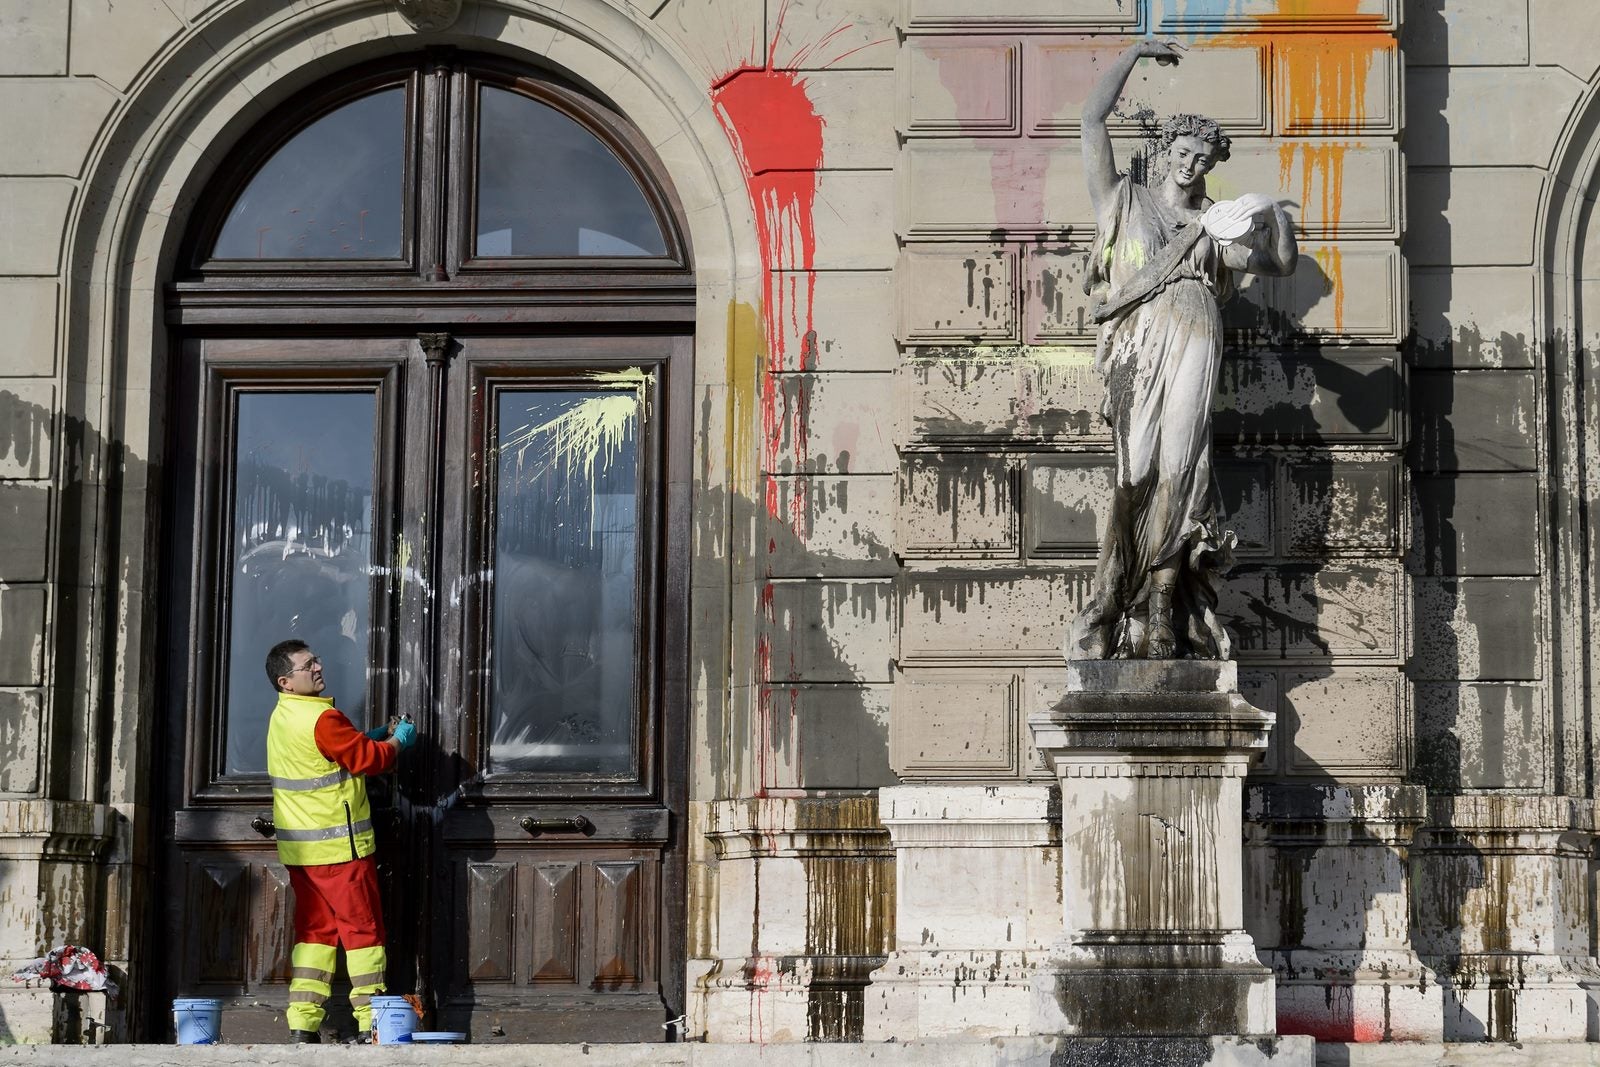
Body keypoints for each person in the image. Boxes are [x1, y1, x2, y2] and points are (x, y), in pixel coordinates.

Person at [1067, 38, 1299, 661]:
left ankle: (1166, 607)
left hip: (1196, 339)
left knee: (1183, 470)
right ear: (1164, 152)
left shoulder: (1215, 225)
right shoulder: (1122, 201)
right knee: (1133, 474)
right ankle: (1116, 598)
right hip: (1139, 349)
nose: (1191, 164)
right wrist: (1134, 54)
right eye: (1183, 151)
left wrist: (1273, 213)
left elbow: (1278, 263)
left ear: (1211, 163)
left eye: (1202, 157)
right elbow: (1091, 119)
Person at [263, 638, 417, 1043]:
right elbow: (369, 760)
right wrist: (398, 741)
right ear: (286, 681)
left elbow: (328, 754)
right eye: (307, 665)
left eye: (316, 659)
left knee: (315, 935)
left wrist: (373, 734)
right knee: (363, 931)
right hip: (340, 849)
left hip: (302, 851)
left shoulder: (284, 715)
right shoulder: (322, 718)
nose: (317, 667)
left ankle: (303, 1023)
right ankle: (372, 1023)